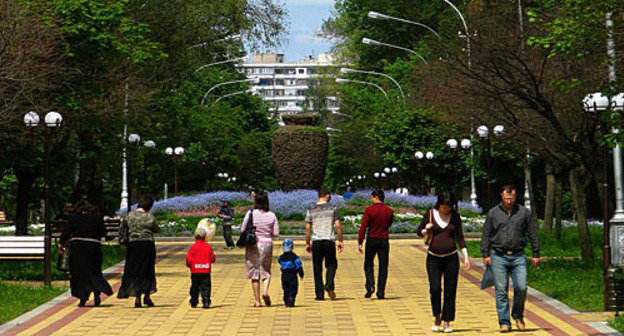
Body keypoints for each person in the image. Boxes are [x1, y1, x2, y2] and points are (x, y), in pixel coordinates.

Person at [481, 184, 540, 333]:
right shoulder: (493, 213)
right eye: (506, 198)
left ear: (515, 197)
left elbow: (532, 233)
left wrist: (535, 253)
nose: (509, 201)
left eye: (511, 198)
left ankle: (518, 315)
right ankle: (504, 322)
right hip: (498, 256)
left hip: (518, 255)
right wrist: (485, 254)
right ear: (501, 195)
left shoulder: (524, 213)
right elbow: (486, 234)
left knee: (521, 287)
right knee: (501, 291)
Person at [417, 191, 471, 333]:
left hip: (451, 258)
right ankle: (437, 316)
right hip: (433, 258)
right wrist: (425, 230)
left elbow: (460, 237)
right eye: (443, 206)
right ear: (439, 204)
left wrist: (466, 257)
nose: (446, 209)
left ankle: (447, 321)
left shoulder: (455, 217)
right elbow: (418, 231)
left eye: (448, 206)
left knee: (450, 290)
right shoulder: (430, 214)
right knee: (435, 289)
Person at [59, 198, 113, 307]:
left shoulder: (73, 218)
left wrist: (61, 244)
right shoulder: (96, 218)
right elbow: (103, 232)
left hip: (77, 247)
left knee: (79, 273)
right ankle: (97, 291)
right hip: (93, 247)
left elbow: (66, 232)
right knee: (94, 270)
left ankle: (83, 297)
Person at [117, 194, 161, 308]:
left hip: (133, 246)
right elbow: (157, 229)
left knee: (135, 270)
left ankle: (137, 297)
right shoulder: (149, 217)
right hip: (147, 246)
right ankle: (147, 296)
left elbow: (122, 229)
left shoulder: (128, 216)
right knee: (147, 270)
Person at [241, 192, 279, 307]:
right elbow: (276, 233)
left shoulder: (251, 213)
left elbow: (243, 229)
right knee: (266, 269)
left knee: (254, 272)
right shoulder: (272, 215)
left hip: (253, 244)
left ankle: (257, 301)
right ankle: (265, 291)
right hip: (267, 244)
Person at [305, 187, 344, 300]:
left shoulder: (311, 209)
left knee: (317, 268)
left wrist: (307, 243)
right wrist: (340, 240)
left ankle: (319, 294)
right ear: (327, 195)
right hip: (329, 240)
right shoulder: (333, 208)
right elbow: (338, 225)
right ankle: (329, 284)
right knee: (332, 264)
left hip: (316, 241)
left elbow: (308, 228)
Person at [358, 190, 393, 299]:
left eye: (372, 197)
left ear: (375, 197)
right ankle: (381, 291)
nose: (371, 199)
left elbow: (364, 226)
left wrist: (360, 241)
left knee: (368, 263)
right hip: (384, 239)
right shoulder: (389, 211)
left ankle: (370, 286)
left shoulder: (369, 210)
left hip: (372, 239)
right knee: (383, 266)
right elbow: (389, 223)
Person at [186, 228, 216, 308]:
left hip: (195, 270)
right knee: (206, 286)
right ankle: (206, 300)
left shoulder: (193, 247)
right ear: (205, 236)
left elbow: (189, 258)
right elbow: (212, 258)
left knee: (195, 286)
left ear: (195, 237)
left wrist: (189, 265)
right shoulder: (208, 246)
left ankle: (194, 300)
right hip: (205, 270)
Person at [278, 238, 304, 307]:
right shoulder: (295, 257)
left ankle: (286, 301)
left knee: (285, 289)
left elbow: (280, 262)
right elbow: (299, 266)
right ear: (292, 247)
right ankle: (291, 297)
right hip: (292, 275)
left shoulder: (281, 257)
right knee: (293, 288)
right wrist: (301, 274)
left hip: (284, 275)